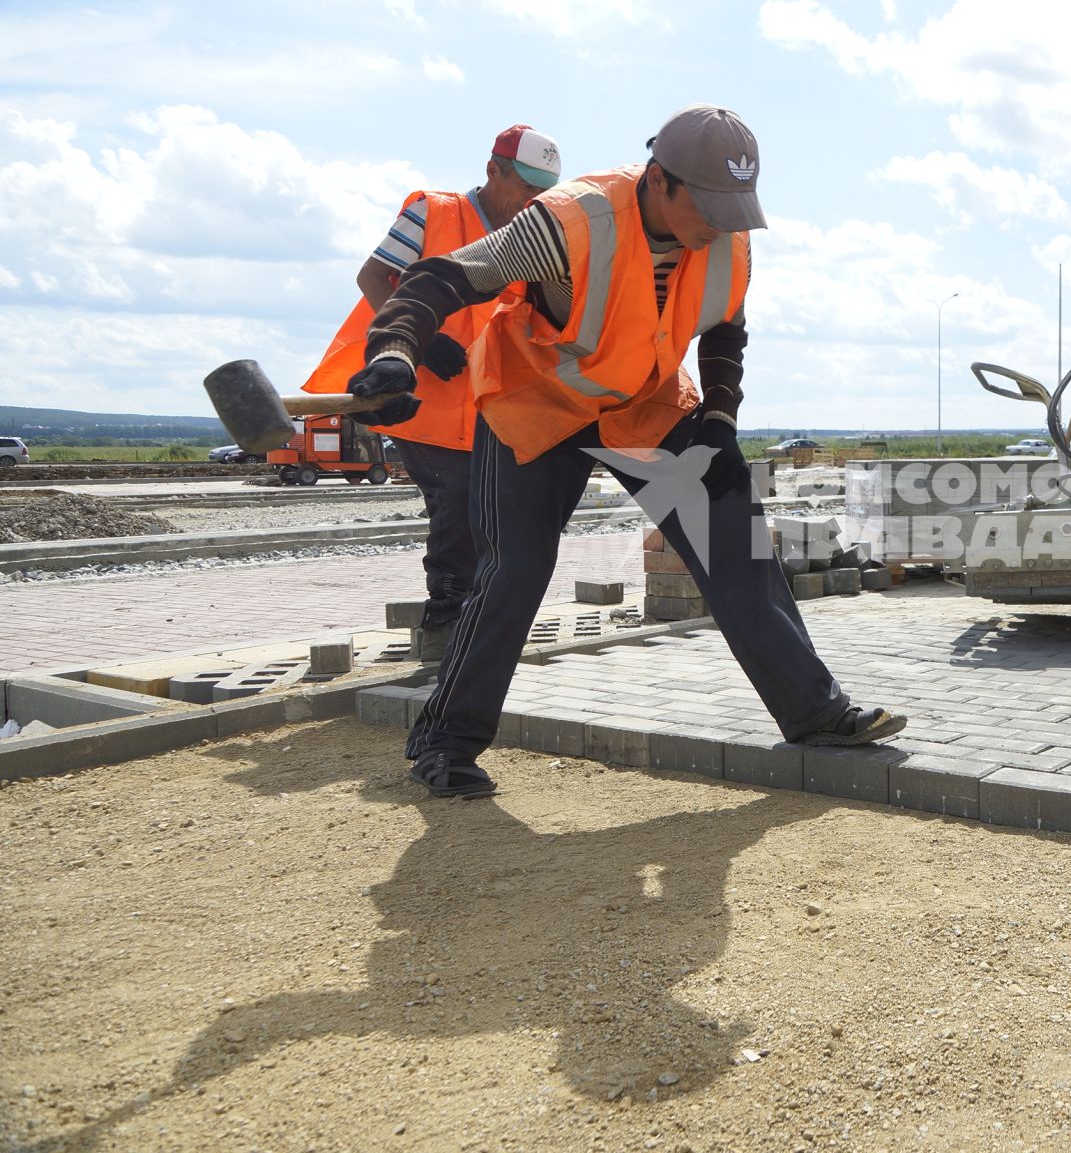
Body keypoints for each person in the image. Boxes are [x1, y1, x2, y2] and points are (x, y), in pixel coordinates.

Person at [345, 105, 904, 797]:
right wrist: (397, 351)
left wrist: (720, 418)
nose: (719, 225)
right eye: (706, 206)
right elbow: (442, 280)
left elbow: (725, 327)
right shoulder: (572, 221)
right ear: (659, 181)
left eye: (733, 209)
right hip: (538, 399)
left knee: (735, 538)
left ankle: (815, 713)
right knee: (515, 569)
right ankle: (446, 741)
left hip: (644, 403)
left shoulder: (727, 237)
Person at [306, 125, 562, 660]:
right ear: (493, 171)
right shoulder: (435, 212)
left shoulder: (534, 233)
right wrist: (421, 342)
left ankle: (476, 617)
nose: (535, 201)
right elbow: (374, 277)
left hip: (490, 400)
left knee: (494, 509)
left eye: (545, 191)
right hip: (423, 395)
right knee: (459, 500)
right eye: (527, 187)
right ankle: (446, 620)